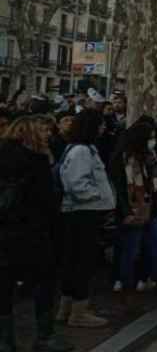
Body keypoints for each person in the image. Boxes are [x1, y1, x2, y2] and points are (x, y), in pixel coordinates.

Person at [0, 116, 74, 351]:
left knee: (4, 286)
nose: (48, 135)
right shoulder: (37, 160)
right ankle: (44, 337)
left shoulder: (4, 154)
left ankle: (5, 341)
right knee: (44, 283)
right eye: (43, 130)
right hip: (34, 232)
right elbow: (46, 201)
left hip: (5, 231)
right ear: (29, 132)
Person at [58, 109, 116, 328]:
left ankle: (68, 308)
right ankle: (78, 312)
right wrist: (97, 196)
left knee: (75, 262)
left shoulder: (84, 149)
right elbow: (76, 183)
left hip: (83, 212)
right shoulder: (82, 151)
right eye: (100, 124)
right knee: (82, 263)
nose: (103, 128)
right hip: (83, 213)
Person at [111, 122, 157, 301]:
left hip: (149, 208)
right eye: (150, 138)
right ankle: (126, 282)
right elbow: (121, 189)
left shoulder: (150, 157)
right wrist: (127, 210)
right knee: (131, 249)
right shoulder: (122, 159)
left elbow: (155, 183)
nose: (153, 141)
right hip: (132, 210)